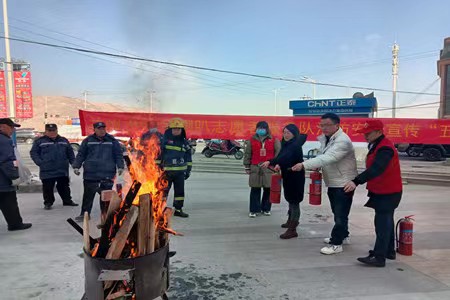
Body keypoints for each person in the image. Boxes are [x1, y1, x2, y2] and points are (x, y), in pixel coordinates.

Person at [292, 113, 357, 255]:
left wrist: (304, 165)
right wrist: (316, 165)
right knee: (338, 212)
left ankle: (336, 243)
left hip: (343, 182)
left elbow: (330, 157)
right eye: (322, 125)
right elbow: (322, 157)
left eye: (327, 125)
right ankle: (343, 235)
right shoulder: (327, 139)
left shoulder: (342, 141)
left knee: (340, 214)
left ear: (337, 125)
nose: (324, 128)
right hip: (334, 182)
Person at [343, 120, 402, 267]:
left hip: (388, 191)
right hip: (384, 190)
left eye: (368, 133)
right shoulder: (378, 145)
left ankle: (379, 257)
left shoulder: (385, 148)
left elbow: (376, 168)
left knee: (382, 223)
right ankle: (388, 251)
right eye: (364, 133)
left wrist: (356, 181)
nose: (365, 136)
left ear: (379, 132)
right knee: (386, 221)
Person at [261, 124, 307, 239]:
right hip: (288, 175)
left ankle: (293, 229)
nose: (285, 135)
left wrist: (270, 161)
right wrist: (277, 164)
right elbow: (282, 157)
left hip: (296, 177)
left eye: (288, 133)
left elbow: (285, 157)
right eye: (284, 132)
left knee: (294, 201)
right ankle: (290, 221)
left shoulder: (295, 145)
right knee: (290, 199)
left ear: (294, 134)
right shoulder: (286, 144)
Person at [72, 122, 124, 221]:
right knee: (88, 195)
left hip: (107, 173)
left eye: (103, 128)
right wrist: (76, 166)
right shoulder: (88, 140)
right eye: (99, 128)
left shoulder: (112, 141)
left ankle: (106, 215)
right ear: (94, 129)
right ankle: (85, 214)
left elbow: (118, 155)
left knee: (106, 196)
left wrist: (120, 166)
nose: (102, 130)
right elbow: (81, 154)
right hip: (91, 173)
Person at [30, 124, 78, 210]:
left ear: (57, 130)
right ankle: (48, 203)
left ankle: (67, 201)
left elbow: (70, 153)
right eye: (49, 131)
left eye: (54, 130)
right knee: (48, 187)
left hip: (62, 169)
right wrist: (40, 163)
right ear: (46, 131)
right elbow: (34, 153)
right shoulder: (40, 141)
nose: (52, 132)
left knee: (64, 186)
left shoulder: (63, 140)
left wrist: (74, 165)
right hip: (47, 169)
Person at [243, 121, 281, 217]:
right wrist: (247, 166)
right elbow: (248, 153)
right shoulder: (252, 139)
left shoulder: (274, 139)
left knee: (268, 189)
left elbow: (278, 153)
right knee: (255, 189)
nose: (261, 130)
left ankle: (266, 208)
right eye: (259, 128)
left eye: (263, 128)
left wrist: (276, 164)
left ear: (267, 129)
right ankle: (254, 210)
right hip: (255, 167)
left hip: (269, 168)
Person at [0, 118, 32, 231]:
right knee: (9, 203)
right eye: (11, 127)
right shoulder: (4, 140)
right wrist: (14, 176)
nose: (13, 130)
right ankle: (15, 224)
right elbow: (6, 161)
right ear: (2, 126)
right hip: (3, 181)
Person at [161, 118, 192, 218]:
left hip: (180, 173)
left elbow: (188, 157)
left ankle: (178, 210)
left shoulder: (184, 142)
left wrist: (188, 170)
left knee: (179, 193)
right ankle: (159, 209)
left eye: (178, 129)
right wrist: (158, 168)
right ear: (170, 129)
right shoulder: (164, 141)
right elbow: (158, 155)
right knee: (163, 192)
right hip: (166, 173)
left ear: (182, 130)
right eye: (174, 129)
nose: (176, 131)